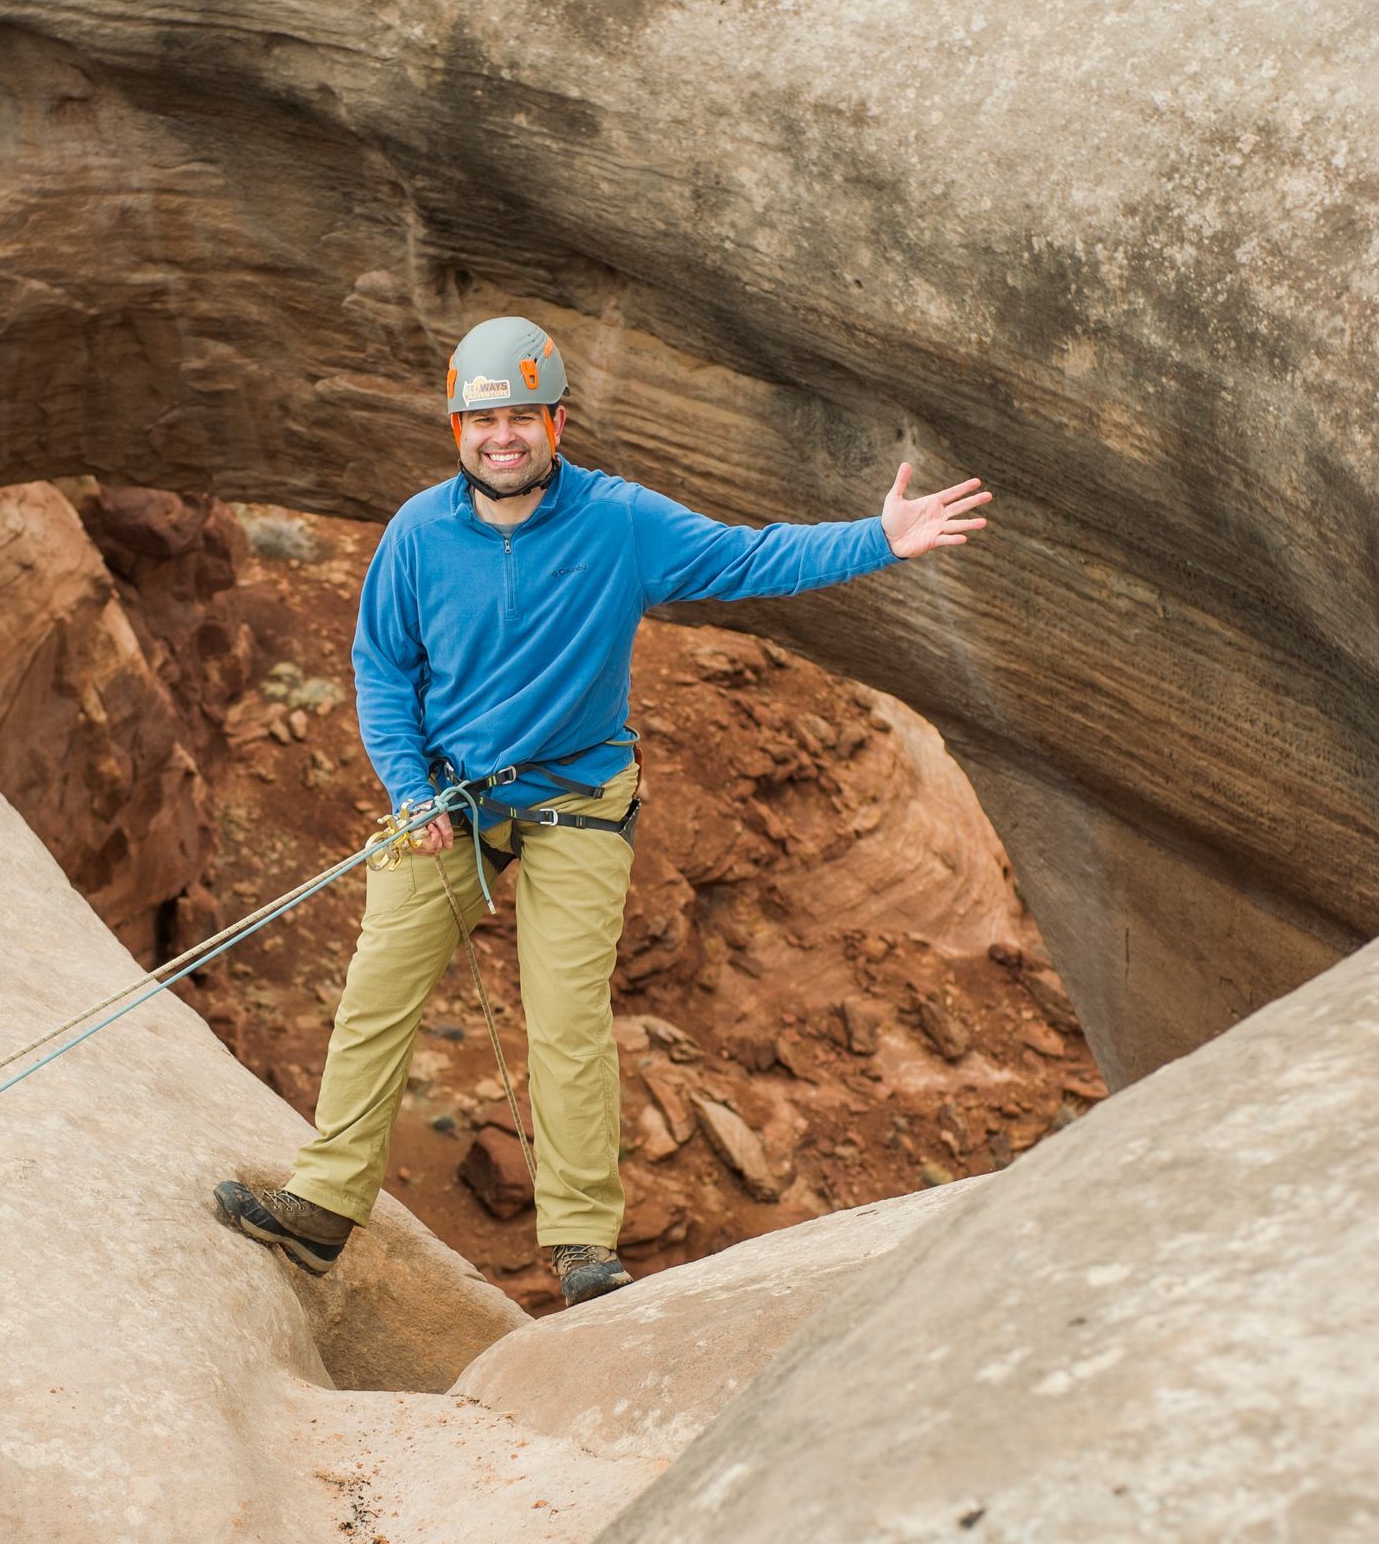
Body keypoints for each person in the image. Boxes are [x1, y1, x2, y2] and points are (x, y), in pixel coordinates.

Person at [216, 314, 990, 1308]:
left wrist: (879, 538)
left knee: (568, 1013)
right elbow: (380, 667)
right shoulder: (417, 534)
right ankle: (324, 1209)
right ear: (457, 428)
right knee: (378, 986)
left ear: (558, 420)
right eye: (483, 419)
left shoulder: (619, 522)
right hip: (449, 790)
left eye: (522, 416)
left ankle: (582, 1244)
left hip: (578, 795)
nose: (503, 436)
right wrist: (410, 790)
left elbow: (748, 558)